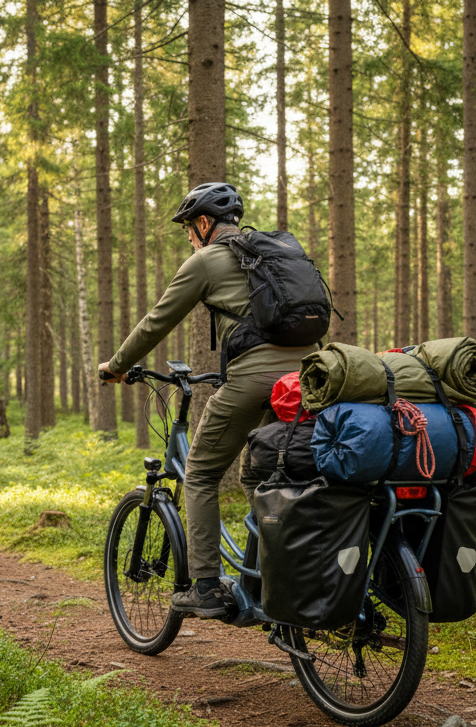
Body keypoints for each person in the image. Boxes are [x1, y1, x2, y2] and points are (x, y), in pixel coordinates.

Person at [98, 182, 316, 619]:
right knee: (266, 476)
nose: (190, 237)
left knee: (199, 473)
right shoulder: (272, 255)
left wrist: (117, 365)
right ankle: (276, 575)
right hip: (310, 379)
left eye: (188, 229)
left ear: (202, 223)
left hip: (255, 380)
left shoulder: (207, 259)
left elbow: (157, 320)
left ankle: (205, 588)